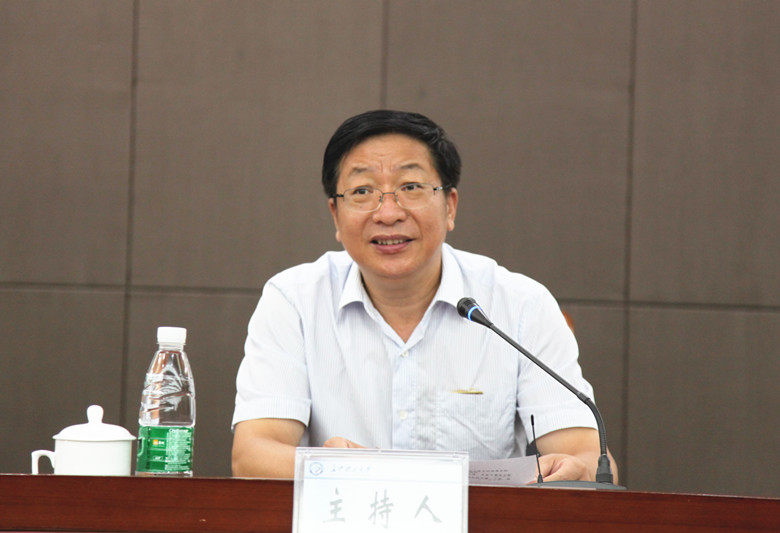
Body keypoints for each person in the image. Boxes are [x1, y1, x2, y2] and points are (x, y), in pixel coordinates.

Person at [231, 109, 618, 483]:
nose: (388, 213)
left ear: (450, 206)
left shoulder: (520, 306)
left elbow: (588, 456)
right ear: (335, 214)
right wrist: (341, 468)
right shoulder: (294, 301)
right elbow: (253, 454)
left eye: (411, 188)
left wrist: (576, 470)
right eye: (363, 191)